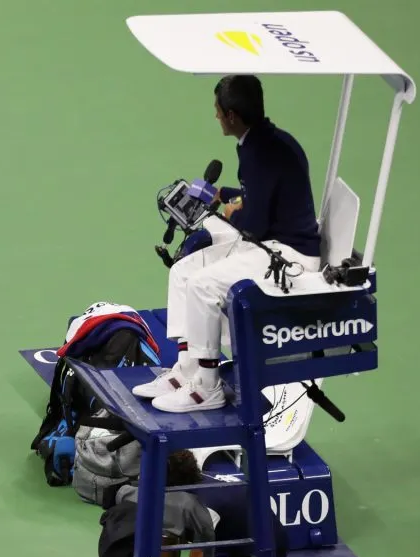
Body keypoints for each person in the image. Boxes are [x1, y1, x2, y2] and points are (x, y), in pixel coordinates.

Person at [133, 74, 322, 413]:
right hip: (272, 243)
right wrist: (230, 197)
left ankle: (207, 386)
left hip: (288, 256)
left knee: (203, 285)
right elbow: (263, 197)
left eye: (218, 111)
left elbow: (255, 226)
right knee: (183, 271)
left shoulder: (260, 153)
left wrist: (233, 214)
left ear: (232, 115)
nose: (216, 116)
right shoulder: (266, 141)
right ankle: (187, 371)